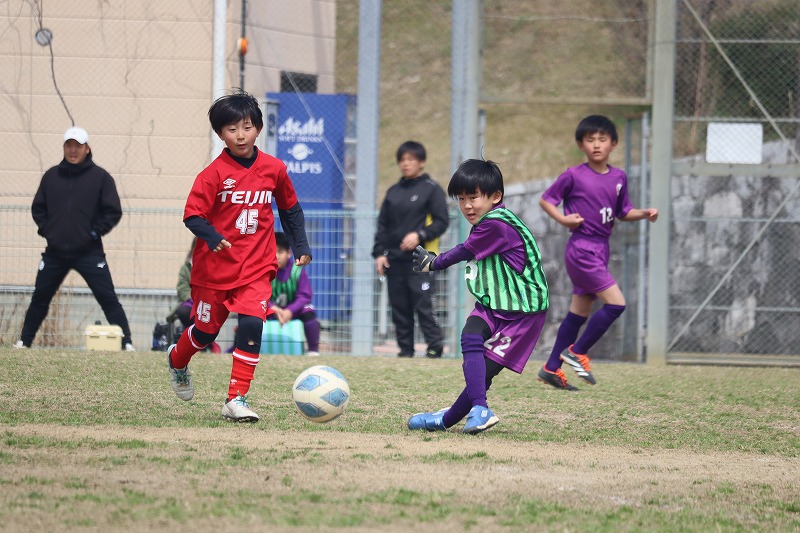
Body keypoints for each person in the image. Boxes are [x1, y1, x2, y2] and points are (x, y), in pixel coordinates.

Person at [167, 90, 311, 423]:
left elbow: (290, 209)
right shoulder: (213, 174)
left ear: (258, 128)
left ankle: (236, 398)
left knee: (252, 324)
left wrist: (301, 246)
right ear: (221, 134)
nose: (241, 135)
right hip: (214, 271)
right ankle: (177, 359)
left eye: (247, 127)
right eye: (232, 129)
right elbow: (192, 215)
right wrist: (212, 236)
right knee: (205, 333)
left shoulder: (274, 169)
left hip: (257, 267)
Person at [407, 159, 549, 434]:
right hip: (494, 305)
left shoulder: (497, 224)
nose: (467, 206)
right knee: (470, 336)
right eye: (461, 199)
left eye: (473, 197)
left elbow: (464, 250)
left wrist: (434, 262)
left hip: (522, 313)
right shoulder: (488, 222)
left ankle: (451, 418)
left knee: (484, 372)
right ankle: (475, 411)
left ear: (495, 196)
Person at [537, 115, 658, 390]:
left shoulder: (619, 177)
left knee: (578, 312)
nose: (596, 144)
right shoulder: (573, 175)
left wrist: (644, 213)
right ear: (581, 145)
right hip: (581, 248)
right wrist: (564, 219)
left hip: (601, 248)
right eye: (590, 140)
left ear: (613, 144)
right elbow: (546, 200)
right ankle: (577, 352)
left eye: (602, 139)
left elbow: (623, 212)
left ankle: (551, 368)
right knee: (616, 304)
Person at [14, 126, 135, 351]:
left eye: (77, 146)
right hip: (55, 253)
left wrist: (94, 233)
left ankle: (127, 342)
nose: (73, 150)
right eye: (68, 145)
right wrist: (48, 231)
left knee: (107, 297)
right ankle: (24, 342)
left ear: (87, 148)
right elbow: (38, 208)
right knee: (40, 297)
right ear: (64, 148)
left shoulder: (101, 177)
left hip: (89, 252)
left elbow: (112, 211)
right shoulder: (52, 176)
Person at [372, 141, 449, 358]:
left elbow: (442, 221)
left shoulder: (431, 190)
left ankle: (434, 347)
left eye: (411, 159)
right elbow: (382, 226)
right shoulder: (393, 192)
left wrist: (419, 235)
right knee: (399, 308)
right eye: (402, 160)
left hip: (422, 259)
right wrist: (379, 253)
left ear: (421, 162)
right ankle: (405, 351)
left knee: (424, 306)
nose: (406, 164)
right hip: (395, 260)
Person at [269, 231, 321, 356]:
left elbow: (305, 296)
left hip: (292, 312)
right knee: (250, 312)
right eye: (272, 252)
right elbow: (259, 294)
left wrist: (289, 311)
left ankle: (313, 351)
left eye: (280, 252)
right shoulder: (266, 271)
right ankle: (239, 346)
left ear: (289, 253)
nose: (276, 256)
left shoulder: (297, 270)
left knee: (309, 311)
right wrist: (272, 308)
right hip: (271, 311)